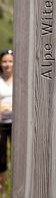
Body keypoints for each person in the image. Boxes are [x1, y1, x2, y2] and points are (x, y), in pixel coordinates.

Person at [0, 49, 13, 192]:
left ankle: (18, 185)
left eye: (10, 61)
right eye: (4, 61)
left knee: (18, 155)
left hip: (17, 125)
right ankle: (2, 189)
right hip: (1, 125)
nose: (7, 64)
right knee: (1, 158)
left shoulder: (19, 81)